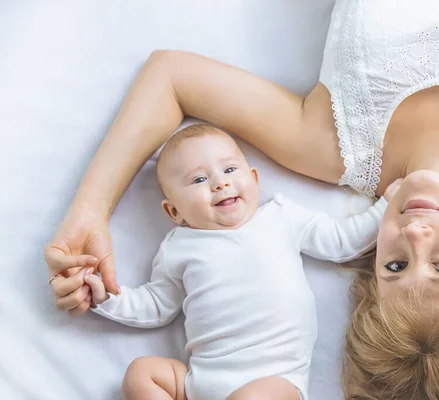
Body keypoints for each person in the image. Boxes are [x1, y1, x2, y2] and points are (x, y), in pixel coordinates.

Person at [46, 0, 439, 398]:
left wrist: (89, 212)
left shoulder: (337, 145)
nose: (412, 235)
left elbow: (172, 76)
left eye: (395, 265)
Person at [58, 124, 396, 400]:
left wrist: (388, 205)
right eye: (199, 180)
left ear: (254, 178)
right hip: (198, 382)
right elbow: (156, 305)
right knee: (141, 374)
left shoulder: (280, 217)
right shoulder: (178, 247)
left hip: (273, 380)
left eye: (230, 169)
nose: (220, 183)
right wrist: (106, 297)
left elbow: (340, 241)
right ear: (174, 211)